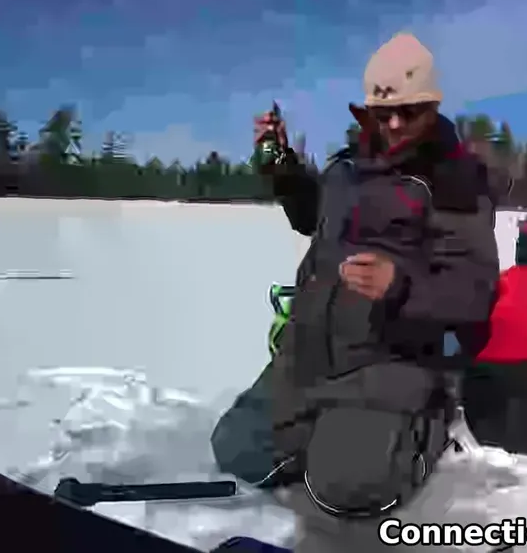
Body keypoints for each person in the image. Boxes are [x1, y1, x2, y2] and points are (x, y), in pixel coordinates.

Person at [211, 32, 499, 521]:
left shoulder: (455, 182)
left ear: (432, 106)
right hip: (310, 355)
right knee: (238, 452)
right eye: (382, 113)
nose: (394, 123)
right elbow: (313, 218)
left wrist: (400, 287)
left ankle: (427, 420)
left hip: (388, 363)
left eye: (409, 111)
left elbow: (475, 290)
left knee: (349, 489)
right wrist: (284, 171)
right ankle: (330, 426)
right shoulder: (347, 167)